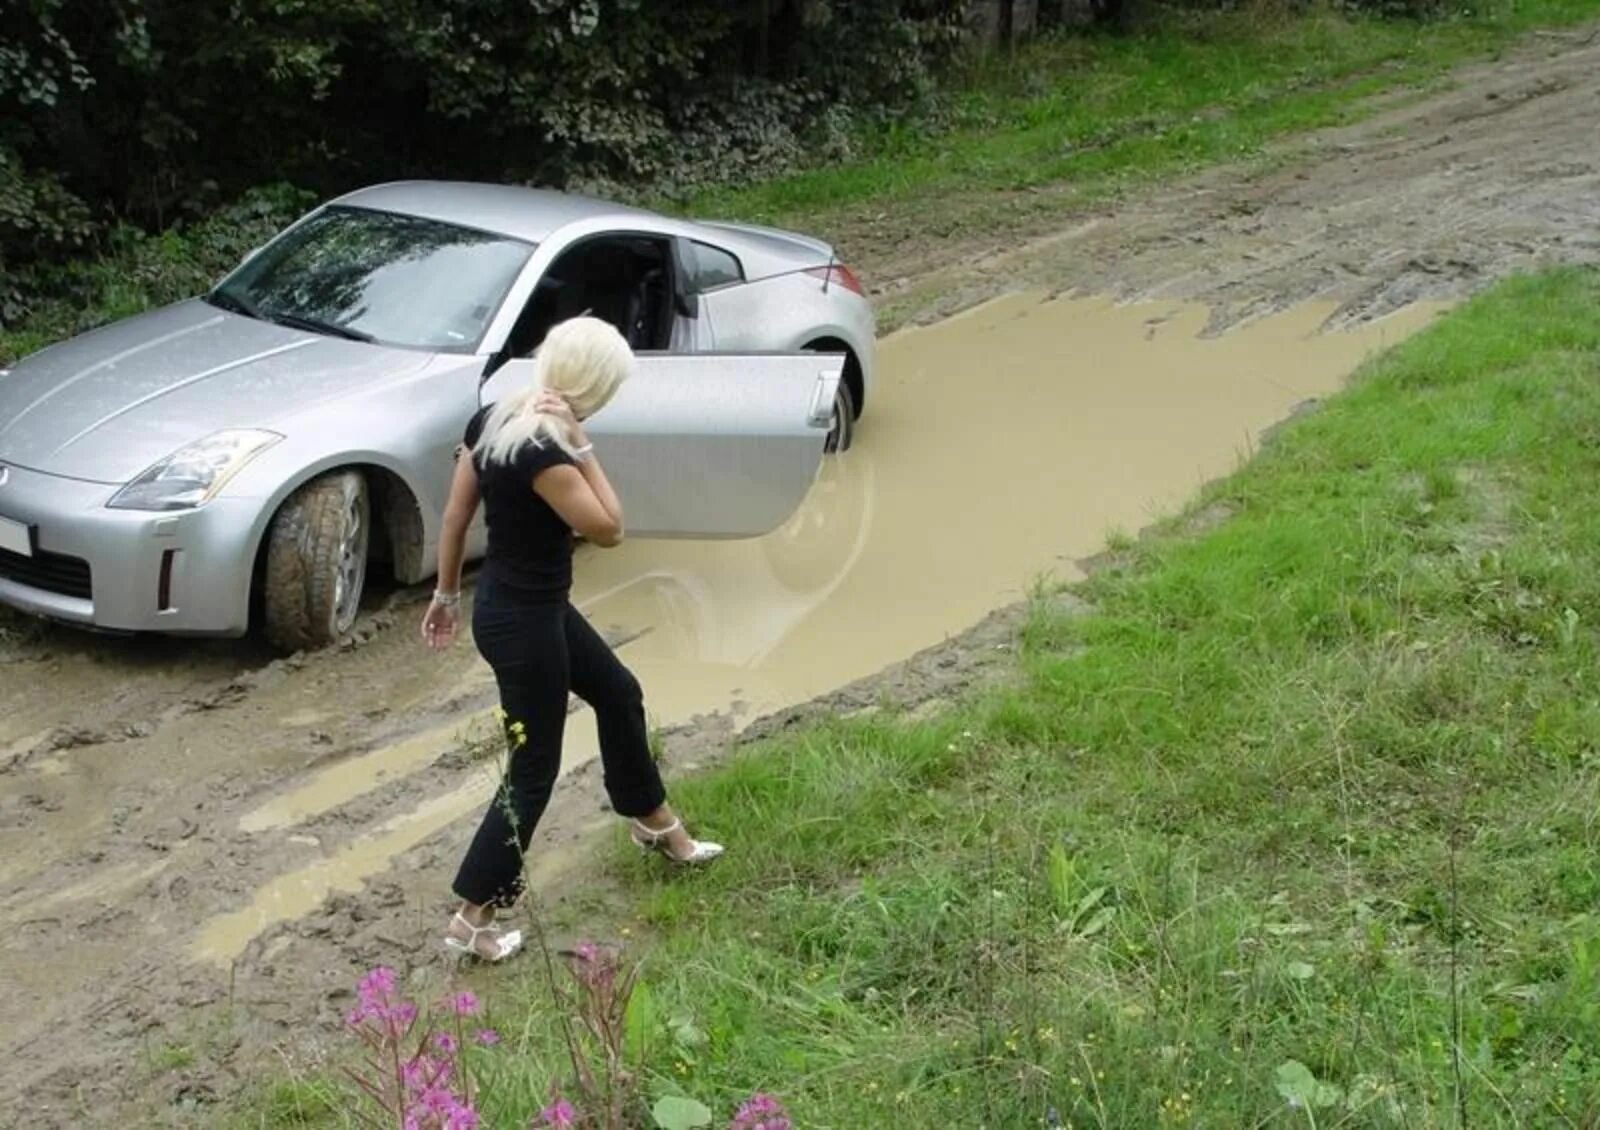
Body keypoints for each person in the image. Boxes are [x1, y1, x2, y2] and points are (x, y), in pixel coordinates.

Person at [421, 315, 722, 963]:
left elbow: (455, 516)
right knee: (534, 769)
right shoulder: (547, 452)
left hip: (521, 607)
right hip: (526, 624)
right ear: (596, 386)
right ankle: (474, 915)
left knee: (618, 694)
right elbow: (610, 528)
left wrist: (446, 595)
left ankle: (652, 821)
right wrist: (583, 446)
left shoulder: (495, 419)